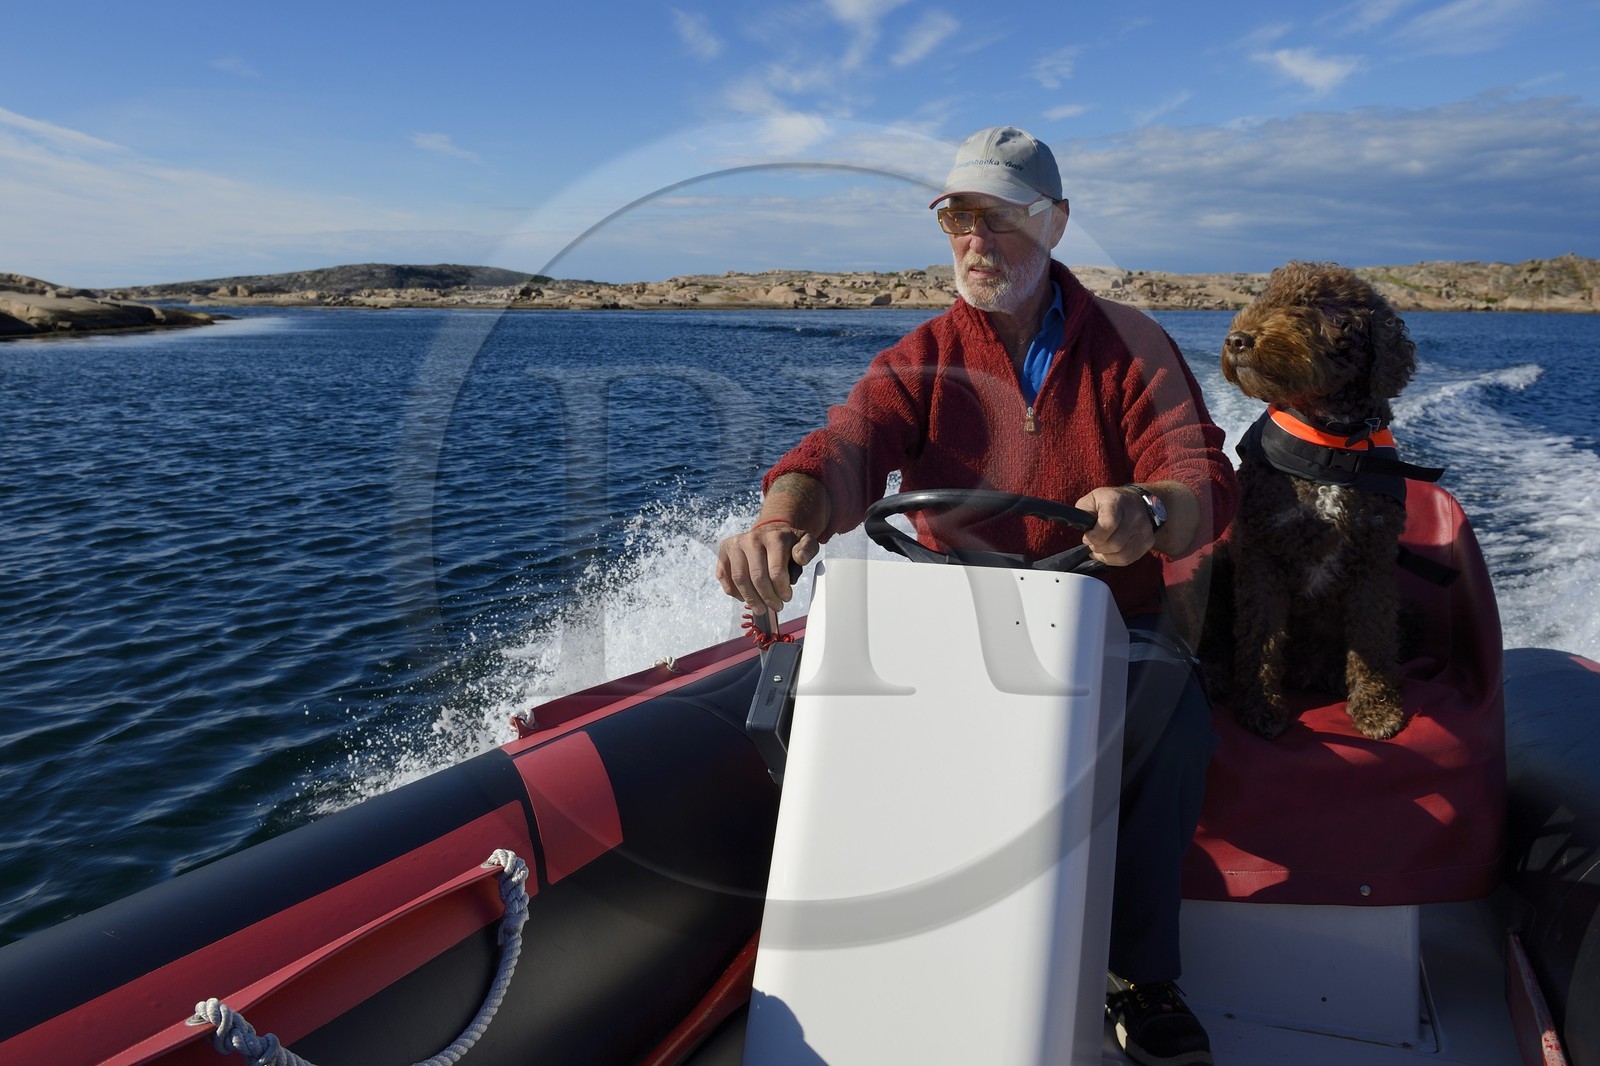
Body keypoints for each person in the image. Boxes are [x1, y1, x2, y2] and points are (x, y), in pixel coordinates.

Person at [715, 125, 1238, 1066]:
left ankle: (1139, 975)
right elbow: (840, 450)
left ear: (1057, 224)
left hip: (1115, 615)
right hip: (954, 620)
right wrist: (782, 521)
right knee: (804, 704)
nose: (976, 238)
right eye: (959, 216)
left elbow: (1199, 470)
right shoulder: (921, 356)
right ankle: (857, 928)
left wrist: (1151, 510)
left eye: (1001, 217)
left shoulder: (1133, 347)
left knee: (1170, 714)